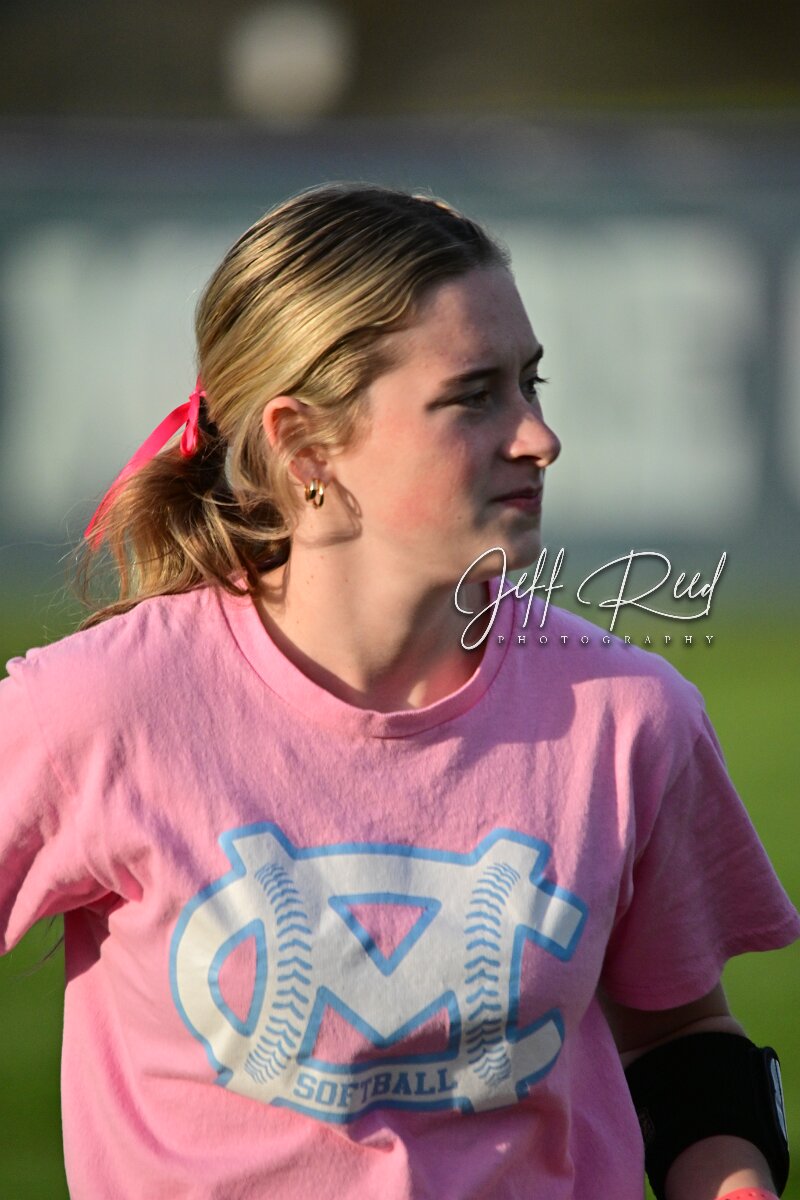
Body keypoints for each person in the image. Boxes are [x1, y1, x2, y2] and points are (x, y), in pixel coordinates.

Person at [0, 182, 797, 1200]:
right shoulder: (101, 711)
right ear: (304, 447)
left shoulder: (629, 716)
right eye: (473, 396)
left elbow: (682, 1043)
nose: (538, 436)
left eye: (531, 383)